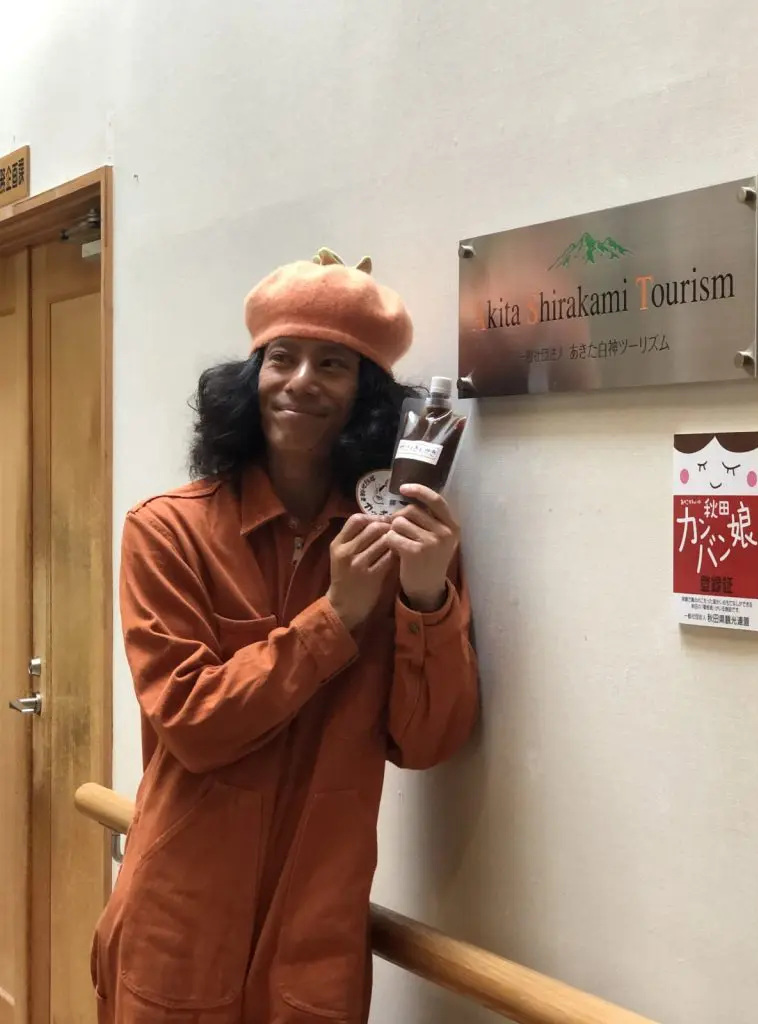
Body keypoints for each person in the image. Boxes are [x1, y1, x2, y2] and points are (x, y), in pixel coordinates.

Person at [90, 247, 478, 1023]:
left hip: (316, 933)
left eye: (333, 364)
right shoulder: (168, 531)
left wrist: (426, 595)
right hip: (177, 918)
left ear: (367, 396)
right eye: (282, 358)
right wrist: (335, 618)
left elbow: (426, 742)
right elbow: (194, 723)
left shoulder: (401, 541)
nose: (301, 381)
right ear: (251, 378)